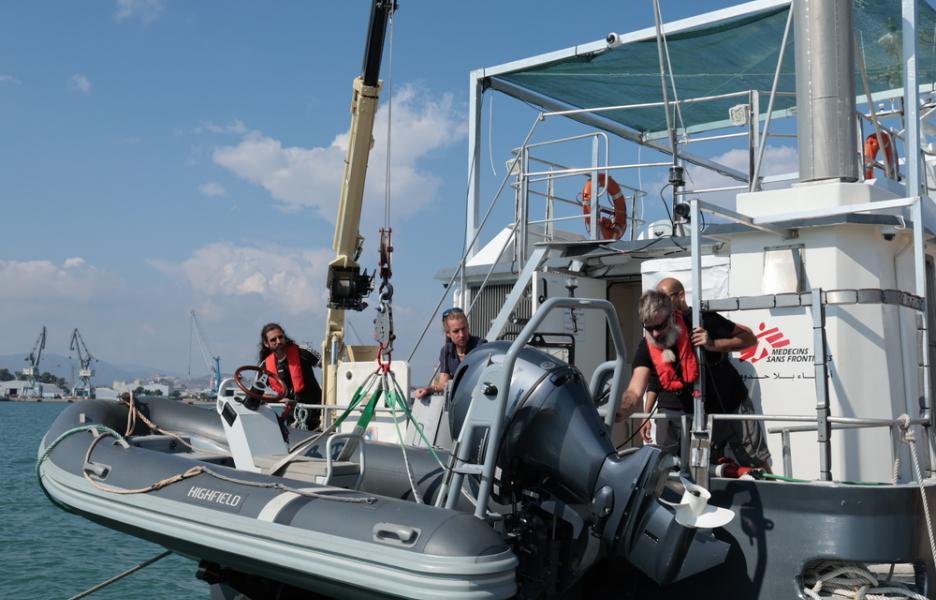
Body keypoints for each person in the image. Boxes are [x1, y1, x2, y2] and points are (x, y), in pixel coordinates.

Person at [616, 279, 771, 469]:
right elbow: (635, 390)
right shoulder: (647, 345)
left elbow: (750, 339)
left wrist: (713, 344)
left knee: (756, 461)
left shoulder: (702, 321)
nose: (655, 334)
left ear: (672, 316)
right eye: (649, 328)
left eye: (660, 327)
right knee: (705, 469)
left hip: (730, 403)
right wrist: (619, 412)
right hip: (692, 414)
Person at [258, 323, 323, 431]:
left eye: (280, 337)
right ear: (266, 343)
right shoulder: (265, 366)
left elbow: (329, 367)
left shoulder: (303, 351)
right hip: (292, 416)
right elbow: (257, 392)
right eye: (273, 340)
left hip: (317, 409)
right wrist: (278, 400)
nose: (278, 341)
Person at [415, 308, 486, 399]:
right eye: (456, 331)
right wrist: (427, 390)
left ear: (468, 327)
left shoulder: (481, 347)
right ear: (448, 333)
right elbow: (443, 385)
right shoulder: (446, 351)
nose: (461, 335)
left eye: (463, 329)